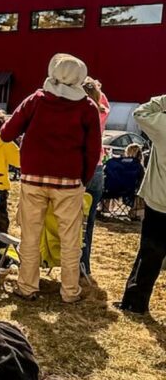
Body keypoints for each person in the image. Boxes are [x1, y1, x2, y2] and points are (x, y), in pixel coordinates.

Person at [0, 54, 101, 303]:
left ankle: (27, 287)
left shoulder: (36, 100)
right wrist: (83, 179)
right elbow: (93, 148)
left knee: (30, 235)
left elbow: (6, 133)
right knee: (70, 238)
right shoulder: (87, 107)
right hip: (69, 181)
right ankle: (69, 291)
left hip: (33, 178)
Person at [116, 95, 166, 315]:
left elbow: (140, 113)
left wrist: (162, 100)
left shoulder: (163, 126)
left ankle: (135, 303)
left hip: (161, 201)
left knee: (150, 253)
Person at [80, 77, 110, 275]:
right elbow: (103, 100)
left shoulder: (80, 112)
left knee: (65, 219)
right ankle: (83, 266)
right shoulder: (103, 112)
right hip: (97, 169)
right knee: (87, 223)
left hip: (79, 167)